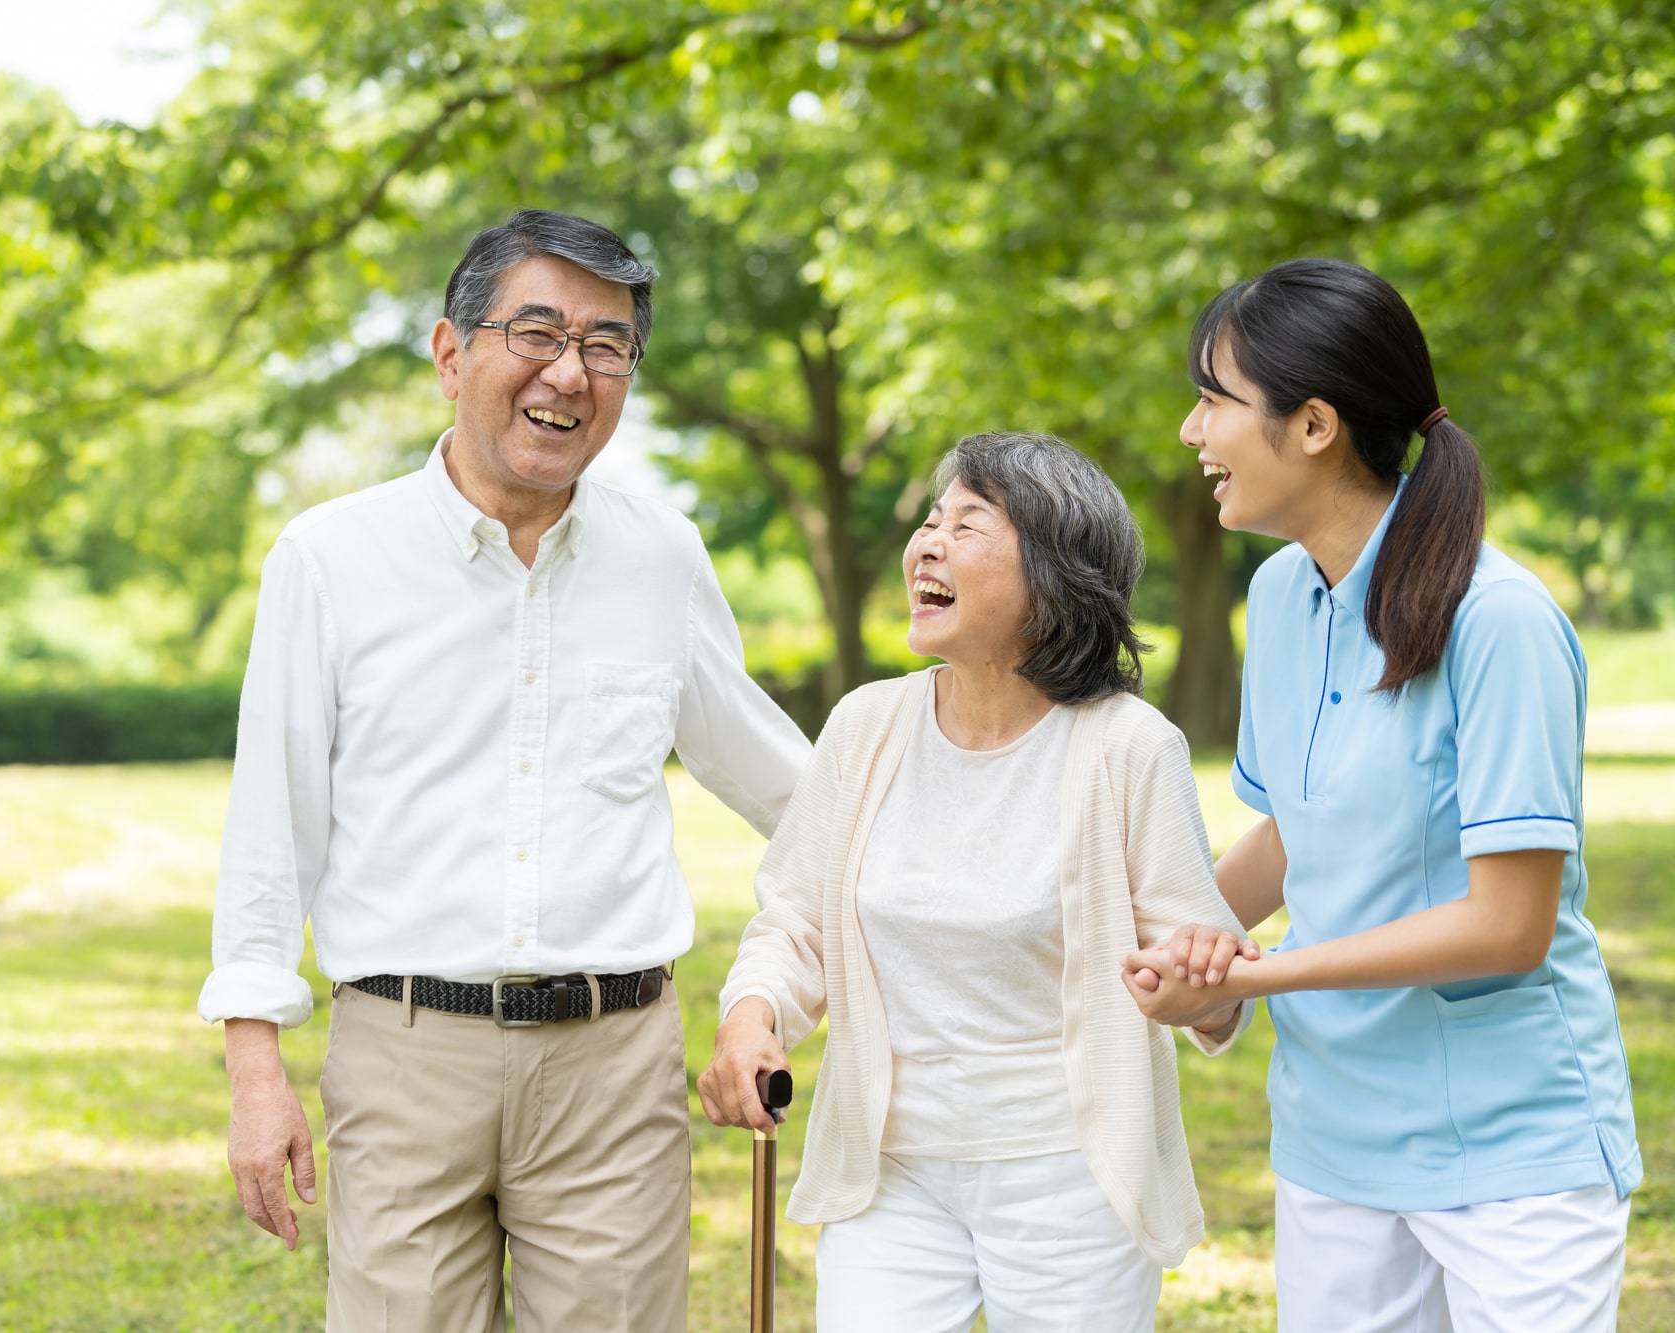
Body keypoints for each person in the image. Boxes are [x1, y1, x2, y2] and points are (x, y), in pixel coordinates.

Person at [197, 209, 812, 1333]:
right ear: (449, 354)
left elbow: (795, 793)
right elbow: (269, 828)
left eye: (607, 344)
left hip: (613, 1065)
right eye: (535, 331)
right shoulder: (330, 558)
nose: (569, 372)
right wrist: (256, 1072)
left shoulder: (659, 555)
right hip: (403, 1053)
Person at [1126, 257, 1640, 1331]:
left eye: (1213, 399)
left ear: (1312, 424)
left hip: (1512, 1148)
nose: (1190, 432)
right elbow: (1286, 837)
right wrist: (1178, 938)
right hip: (1332, 1139)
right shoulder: (1277, 594)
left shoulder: (1497, 622)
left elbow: (1506, 926)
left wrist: (1255, 974)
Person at [699, 431, 1252, 1333]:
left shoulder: (1127, 745)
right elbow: (794, 920)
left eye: (968, 524)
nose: (927, 542)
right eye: (930, 520)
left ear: (1055, 576)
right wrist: (752, 1011)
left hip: (1071, 1169)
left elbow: (1210, 971)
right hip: (892, 1166)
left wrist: (1196, 989)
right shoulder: (866, 726)